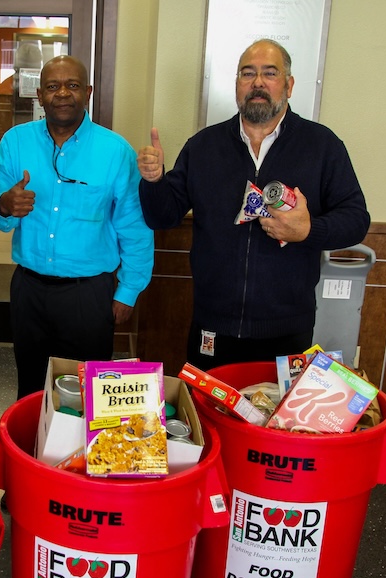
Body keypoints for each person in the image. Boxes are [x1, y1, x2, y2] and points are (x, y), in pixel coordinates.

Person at [137, 39, 370, 370]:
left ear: (288, 85)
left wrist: (309, 230)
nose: (258, 82)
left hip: (287, 329)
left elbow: (357, 219)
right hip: (212, 324)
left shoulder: (322, 146)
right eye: (248, 74)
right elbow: (161, 216)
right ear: (236, 86)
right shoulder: (203, 146)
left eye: (270, 73)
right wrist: (154, 180)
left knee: (272, 421)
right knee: (208, 417)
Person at [0, 55, 154, 399]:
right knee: (30, 390)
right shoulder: (15, 142)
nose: (62, 93)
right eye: (52, 86)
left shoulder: (115, 152)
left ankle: (82, 453)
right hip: (29, 291)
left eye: (72, 85)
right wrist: (4, 204)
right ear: (39, 95)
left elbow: (135, 229)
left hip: (89, 295)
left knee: (86, 395)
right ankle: (30, 451)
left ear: (87, 92)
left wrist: (128, 290)